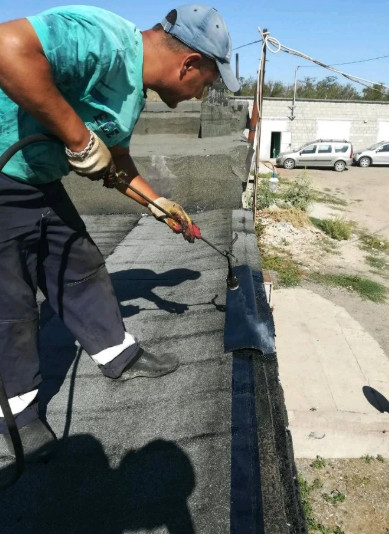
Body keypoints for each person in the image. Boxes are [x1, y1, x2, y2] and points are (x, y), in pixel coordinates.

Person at [0, 4, 239, 455]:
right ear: (189, 63)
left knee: (79, 261)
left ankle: (116, 353)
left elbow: (115, 163)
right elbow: (6, 48)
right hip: (3, 171)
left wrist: (158, 204)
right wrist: (78, 138)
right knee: (10, 301)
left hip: (37, 178)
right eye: (205, 85)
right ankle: (18, 414)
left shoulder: (132, 91)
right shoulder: (104, 38)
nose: (198, 98)